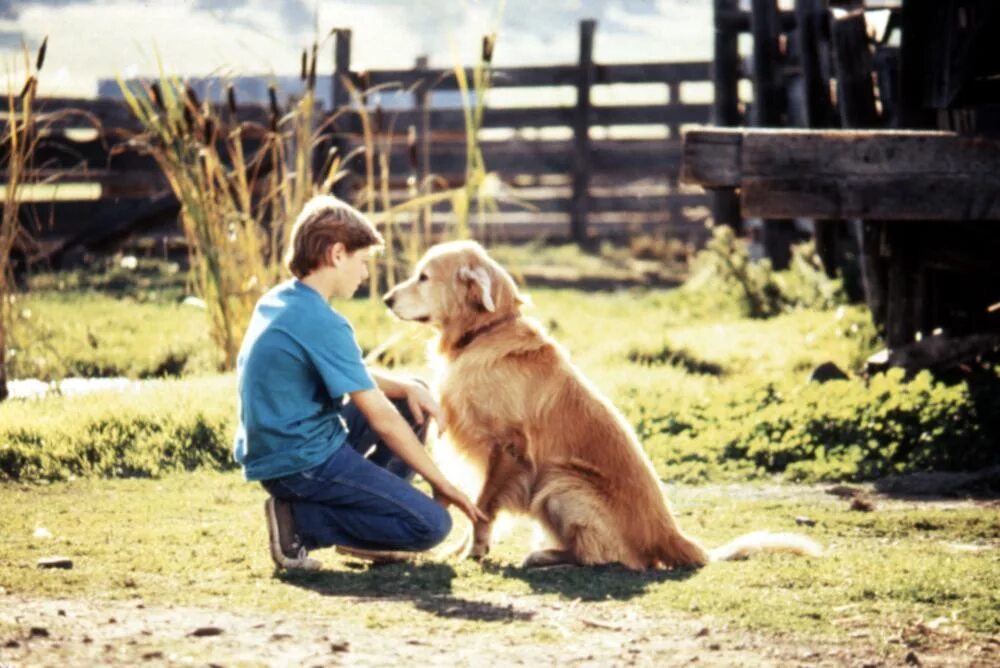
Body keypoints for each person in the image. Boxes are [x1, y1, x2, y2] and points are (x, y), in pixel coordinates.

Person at [234, 195, 486, 570]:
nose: (366, 274)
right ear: (337, 254)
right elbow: (381, 418)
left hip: (281, 452)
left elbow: (352, 373)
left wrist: (408, 387)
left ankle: (372, 521)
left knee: (407, 394)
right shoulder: (324, 322)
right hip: (300, 464)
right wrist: (443, 483)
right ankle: (301, 523)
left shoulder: (282, 300)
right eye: (362, 262)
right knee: (432, 525)